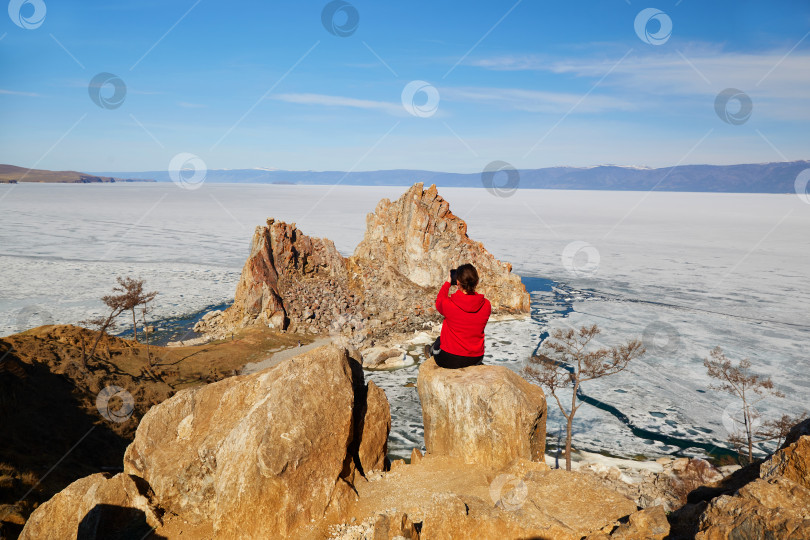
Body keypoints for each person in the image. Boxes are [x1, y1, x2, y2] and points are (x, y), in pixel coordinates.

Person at [424, 263, 491, 369]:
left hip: (450, 359)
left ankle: (430, 352)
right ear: (477, 282)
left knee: (438, 341)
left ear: (457, 282)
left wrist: (447, 283)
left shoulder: (449, 304)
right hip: (476, 358)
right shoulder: (486, 305)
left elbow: (439, 302)